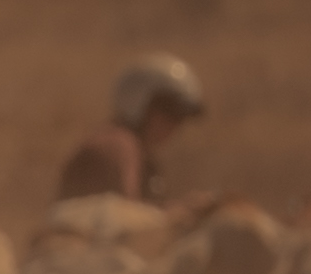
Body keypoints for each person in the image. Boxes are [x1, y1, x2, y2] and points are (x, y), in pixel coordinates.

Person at [52, 54, 208, 203]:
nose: (174, 126)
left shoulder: (130, 148)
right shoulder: (117, 146)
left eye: (179, 118)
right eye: (169, 112)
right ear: (140, 104)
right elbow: (119, 217)